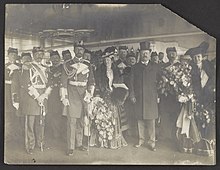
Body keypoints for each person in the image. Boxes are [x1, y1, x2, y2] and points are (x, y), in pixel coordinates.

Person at [11, 48, 52, 154]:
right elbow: (27, 84)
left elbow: (50, 83)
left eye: (41, 54)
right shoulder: (27, 67)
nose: (39, 56)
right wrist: (38, 97)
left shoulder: (45, 68)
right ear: (33, 55)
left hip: (43, 97)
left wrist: (45, 95)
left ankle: (41, 143)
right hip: (31, 99)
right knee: (30, 123)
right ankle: (30, 145)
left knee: (41, 123)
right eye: (37, 54)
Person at [60, 42, 95, 156]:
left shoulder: (88, 64)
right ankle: (70, 147)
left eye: (81, 49)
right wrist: (64, 97)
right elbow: (63, 83)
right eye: (77, 49)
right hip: (72, 93)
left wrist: (90, 94)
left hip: (84, 94)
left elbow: (91, 81)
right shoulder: (67, 64)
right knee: (72, 122)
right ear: (74, 50)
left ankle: (79, 143)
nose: (80, 51)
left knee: (81, 121)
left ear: (83, 51)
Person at [129, 41, 161, 151]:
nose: (145, 54)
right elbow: (131, 82)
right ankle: (141, 140)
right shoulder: (135, 67)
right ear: (140, 53)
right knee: (140, 119)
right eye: (143, 52)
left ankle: (152, 142)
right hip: (139, 97)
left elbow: (162, 81)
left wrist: (158, 94)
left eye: (147, 52)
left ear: (149, 53)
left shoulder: (155, 66)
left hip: (151, 97)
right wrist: (132, 94)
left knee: (151, 120)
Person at [186, 42, 215, 156]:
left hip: (209, 97)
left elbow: (213, 80)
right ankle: (198, 145)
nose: (197, 59)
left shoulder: (209, 66)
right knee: (197, 120)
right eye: (194, 57)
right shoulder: (191, 69)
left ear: (202, 57)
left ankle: (208, 146)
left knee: (209, 121)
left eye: (198, 56)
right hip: (197, 98)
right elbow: (191, 84)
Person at [97, 47, 128, 148]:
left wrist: (117, 88)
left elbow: (119, 81)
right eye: (105, 60)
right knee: (104, 115)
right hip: (105, 95)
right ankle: (104, 141)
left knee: (114, 116)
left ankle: (114, 141)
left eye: (109, 59)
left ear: (112, 60)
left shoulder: (115, 69)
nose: (107, 62)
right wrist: (104, 90)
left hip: (114, 95)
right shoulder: (100, 70)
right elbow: (99, 83)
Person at [158, 47, 181, 142]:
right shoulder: (163, 66)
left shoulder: (180, 66)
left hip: (176, 96)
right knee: (164, 115)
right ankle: (163, 135)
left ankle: (175, 136)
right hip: (165, 95)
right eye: (169, 53)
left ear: (176, 54)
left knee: (175, 115)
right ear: (167, 55)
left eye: (173, 53)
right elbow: (159, 79)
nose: (171, 55)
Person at [47, 50, 64, 139]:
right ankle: (56, 134)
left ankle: (63, 133)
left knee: (64, 114)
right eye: (53, 58)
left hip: (63, 93)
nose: (55, 60)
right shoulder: (48, 70)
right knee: (54, 114)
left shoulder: (64, 68)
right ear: (50, 59)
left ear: (60, 58)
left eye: (57, 58)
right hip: (53, 94)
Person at [5, 47, 21, 141]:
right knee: (7, 115)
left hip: (17, 94)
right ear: (8, 56)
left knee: (17, 115)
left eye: (15, 55)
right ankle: (7, 136)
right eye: (11, 55)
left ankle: (17, 135)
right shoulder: (4, 66)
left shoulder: (20, 67)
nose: (13, 57)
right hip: (7, 94)